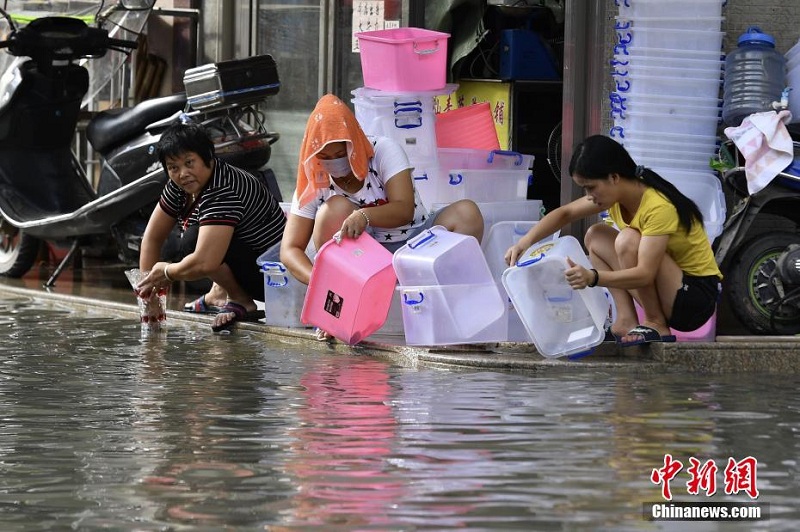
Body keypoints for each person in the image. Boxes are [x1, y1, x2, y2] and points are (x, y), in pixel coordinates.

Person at [280, 94, 484, 338]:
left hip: (415, 244)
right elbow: (289, 250)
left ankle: (449, 307)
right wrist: (321, 283)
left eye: (340, 154)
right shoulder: (314, 176)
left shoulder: (382, 150)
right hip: (361, 262)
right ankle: (340, 312)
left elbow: (404, 209)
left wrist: (364, 216)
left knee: (467, 213)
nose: (334, 163)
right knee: (334, 209)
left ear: (354, 143)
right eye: (326, 158)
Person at [505, 134, 722, 347]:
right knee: (596, 235)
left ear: (614, 178)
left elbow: (645, 274)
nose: (589, 195)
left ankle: (655, 323)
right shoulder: (615, 197)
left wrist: (592, 277)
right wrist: (524, 243)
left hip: (694, 299)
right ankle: (626, 321)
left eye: (591, 187)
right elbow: (565, 213)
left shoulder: (657, 206)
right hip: (671, 291)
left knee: (627, 240)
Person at [136, 123, 286, 333]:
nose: (183, 173)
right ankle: (219, 292)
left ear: (207, 156)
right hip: (247, 261)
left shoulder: (223, 188)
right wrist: (149, 296)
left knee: (192, 240)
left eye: (189, 162)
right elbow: (152, 237)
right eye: (173, 167)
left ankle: (241, 300)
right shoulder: (179, 187)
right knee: (196, 237)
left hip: (273, 279)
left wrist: (167, 272)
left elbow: (205, 261)